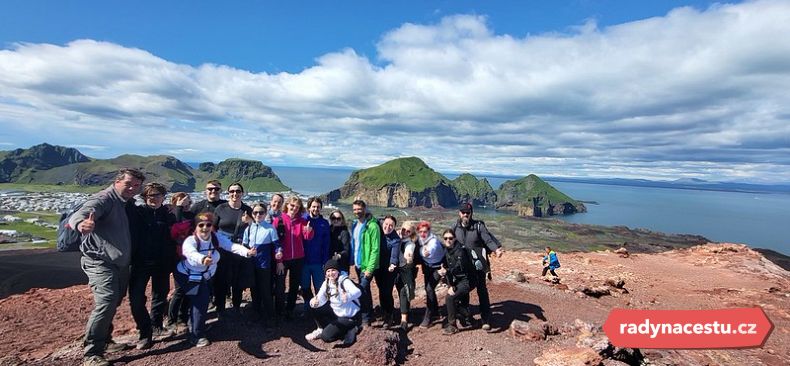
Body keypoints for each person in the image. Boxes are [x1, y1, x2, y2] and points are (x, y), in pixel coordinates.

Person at [69, 168, 145, 366]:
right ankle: (92, 353)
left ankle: (105, 340)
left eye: (136, 185)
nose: (132, 188)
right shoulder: (104, 199)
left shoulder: (126, 203)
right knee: (107, 300)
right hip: (100, 261)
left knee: (114, 300)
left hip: (119, 263)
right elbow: (80, 214)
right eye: (128, 184)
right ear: (117, 181)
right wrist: (81, 224)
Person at [174, 212, 256, 347]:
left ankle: (194, 326)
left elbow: (230, 246)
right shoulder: (191, 240)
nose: (205, 228)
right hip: (188, 275)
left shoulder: (215, 237)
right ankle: (196, 335)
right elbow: (189, 252)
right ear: (195, 227)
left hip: (205, 275)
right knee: (200, 301)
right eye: (201, 225)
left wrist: (246, 252)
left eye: (208, 225)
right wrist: (202, 259)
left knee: (199, 300)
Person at [127, 182, 177, 350]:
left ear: (163, 197)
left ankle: (156, 326)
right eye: (149, 195)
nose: (153, 198)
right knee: (136, 299)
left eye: (157, 195)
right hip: (139, 262)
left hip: (162, 263)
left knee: (159, 297)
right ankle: (144, 331)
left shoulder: (169, 215)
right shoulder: (138, 213)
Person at [452, 202, 504, 332]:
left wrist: (496, 249)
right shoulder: (455, 227)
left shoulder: (479, 226)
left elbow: (488, 240)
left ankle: (486, 318)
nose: (465, 215)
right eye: (463, 212)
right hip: (463, 266)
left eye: (468, 213)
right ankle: (466, 317)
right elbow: (449, 243)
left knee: (482, 290)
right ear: (459, 213)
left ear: (471, 214)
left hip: (478, 265)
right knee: (464, 291)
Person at [212, 182, 253, 317]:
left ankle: (236, 306)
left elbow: (254, 228)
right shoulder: (220, 208)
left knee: (238, 280)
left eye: (238, 191)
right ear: (228, 193)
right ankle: (220, 308)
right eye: (232, 191)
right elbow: (213, 228)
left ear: (242, 193)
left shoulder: (247, 210)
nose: (235, 194)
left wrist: (249, 221)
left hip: (240, 249)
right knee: (221, 279)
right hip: (222, 250)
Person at [305, 258, 362, 346]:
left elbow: (358, 292)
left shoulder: (344, 281)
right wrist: (314, 302)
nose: (331, 273)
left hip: (349, 316)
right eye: (328, 271)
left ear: (338, 271)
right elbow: (320, 298)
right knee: (315, 308)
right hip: (336, 312)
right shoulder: (327, 282)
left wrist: (348, 296)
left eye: (333, 270)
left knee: (326, 337)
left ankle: (351, 329)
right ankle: (321, 329)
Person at [243, 203, 282, 327]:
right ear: (252, 214)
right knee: (254, 290)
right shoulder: (249, 228)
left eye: (261, 212)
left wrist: (279, 253)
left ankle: (270, 316)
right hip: (251, 264)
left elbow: (277, 245)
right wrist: (247, 252)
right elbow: (244, 246)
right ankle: (256, 313)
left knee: (266, 291)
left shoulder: (270, 228)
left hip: (264, 265)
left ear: (265, 214)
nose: (258, 215)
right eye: (255, 212)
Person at [274, 196, 314, 319]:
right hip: (283, 259)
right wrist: (279, 261)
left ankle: (290, 310)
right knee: (280, 286)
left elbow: (307, 237)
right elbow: (275, 242)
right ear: (287, 205)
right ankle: (279, 310)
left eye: (297, 207)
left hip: (298, 258)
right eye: (292, 205)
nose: (294, 208)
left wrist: (309, 231)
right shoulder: (279, 220)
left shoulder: (301, 221)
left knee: (294, 286)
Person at [438, 229, 477, 335]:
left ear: (454, 239)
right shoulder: (447, 250)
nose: (448, 240)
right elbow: (445, 266)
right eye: (446, 238)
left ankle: (452, 326)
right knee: (457, 302)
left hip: (468, 280)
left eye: (450, 238)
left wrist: (447, 272)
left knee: (450, 298)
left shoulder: (460, 251)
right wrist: (450, 284)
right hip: (459, 280)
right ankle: (469, 319)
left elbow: (458, 267)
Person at [166, 192, 194, 334]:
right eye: (182, 201)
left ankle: (183, 317)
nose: (185, 204)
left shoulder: (192, 216)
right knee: (179, 289)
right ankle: (171, 320)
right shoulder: (171, 215)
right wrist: (178, 208)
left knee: (189, 288)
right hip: (177, 257)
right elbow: (174, 228)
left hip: (190, 257)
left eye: (187, 201)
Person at [349, 199, 380, 326]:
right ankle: (369, 313)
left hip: (367, 266)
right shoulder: (355, 225)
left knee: (361, 289)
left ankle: (365, 318)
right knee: (365, 290)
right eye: (355, 209)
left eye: (359, 209)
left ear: (365, 209)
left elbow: (375, 249)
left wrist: (370, 268)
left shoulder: (372, 226)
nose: (357, 211)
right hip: (358, 264)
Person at [301, 197, 331, 313]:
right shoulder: (303, 221)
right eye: (313, 206)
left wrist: (325, 262)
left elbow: (326, 244)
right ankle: (308, 308)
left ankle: (320, 310)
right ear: (309, 207)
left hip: (318, 262)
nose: (316, 209)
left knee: (320, 287)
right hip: (304, 261)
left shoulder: (324, 223)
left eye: (318, 207)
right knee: (305, 287)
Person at [416, 221, 444, 328]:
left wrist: (424, 252)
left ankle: (429, 316)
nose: (423, 234)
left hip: (438, 267)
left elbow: (431, 250)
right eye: (421, 231)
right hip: (427, 267)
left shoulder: (433, 241)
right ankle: (435, 311)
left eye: (425, 231)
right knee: (429, 289)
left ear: (429, 231)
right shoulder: (420, 239)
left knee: (429, 288)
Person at [376, 215, 400, 327]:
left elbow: (394, 255)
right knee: (381, 290)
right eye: (386, 224)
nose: (388, 227)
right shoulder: (378, 229)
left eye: (391, 225)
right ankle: (384, 310)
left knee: (387, 291)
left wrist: (393, 264)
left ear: (394, 227)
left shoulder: (395, 239)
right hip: (378, 268)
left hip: (390, 270)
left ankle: (390, 314)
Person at [392, 221, 416, 331]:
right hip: (395, 269)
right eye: (403, 229)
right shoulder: (396, 237)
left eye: (408, 231)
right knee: (399, 290)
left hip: (405, 270)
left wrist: (409, 257)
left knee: (403, 292)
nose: (405, 232)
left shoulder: (410, 244)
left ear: (411, 233)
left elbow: (408, 252)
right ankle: (405, 310)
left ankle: (404, 320)